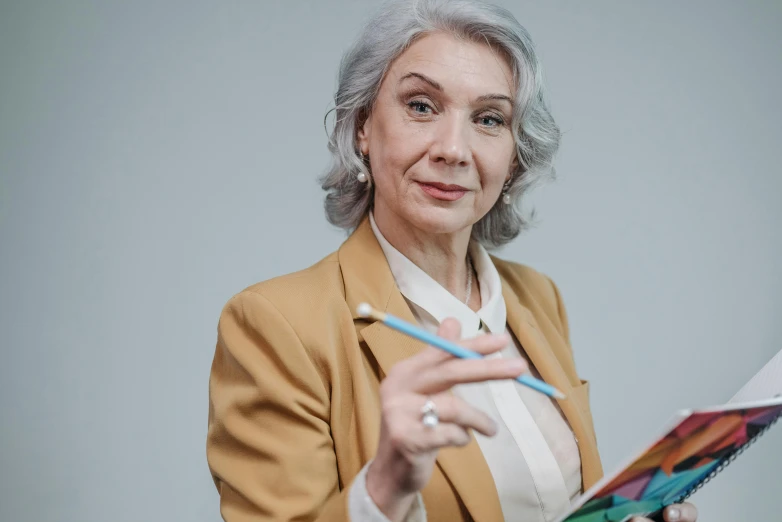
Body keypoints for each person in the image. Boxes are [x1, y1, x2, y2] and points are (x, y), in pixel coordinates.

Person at [206, 1, 698, 521]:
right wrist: (384, 488)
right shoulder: (274, 324)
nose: (454, 149)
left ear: (513, 159)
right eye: (421, 106)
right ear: (362, 128)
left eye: (489, 119)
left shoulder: (538, 299)